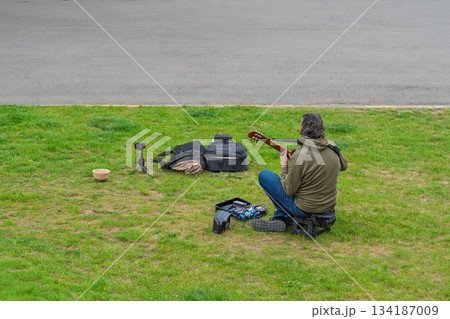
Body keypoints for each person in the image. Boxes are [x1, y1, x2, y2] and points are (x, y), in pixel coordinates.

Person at [252, 113, 348, 232]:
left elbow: (289, 190)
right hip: (328, 207)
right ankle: (280, 217)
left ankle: (283, 216)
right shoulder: (332, 146)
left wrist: (284, 166)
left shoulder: (300, 155)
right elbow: (344, 166)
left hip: (306, 209)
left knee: (265, 175)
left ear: (303, 129)